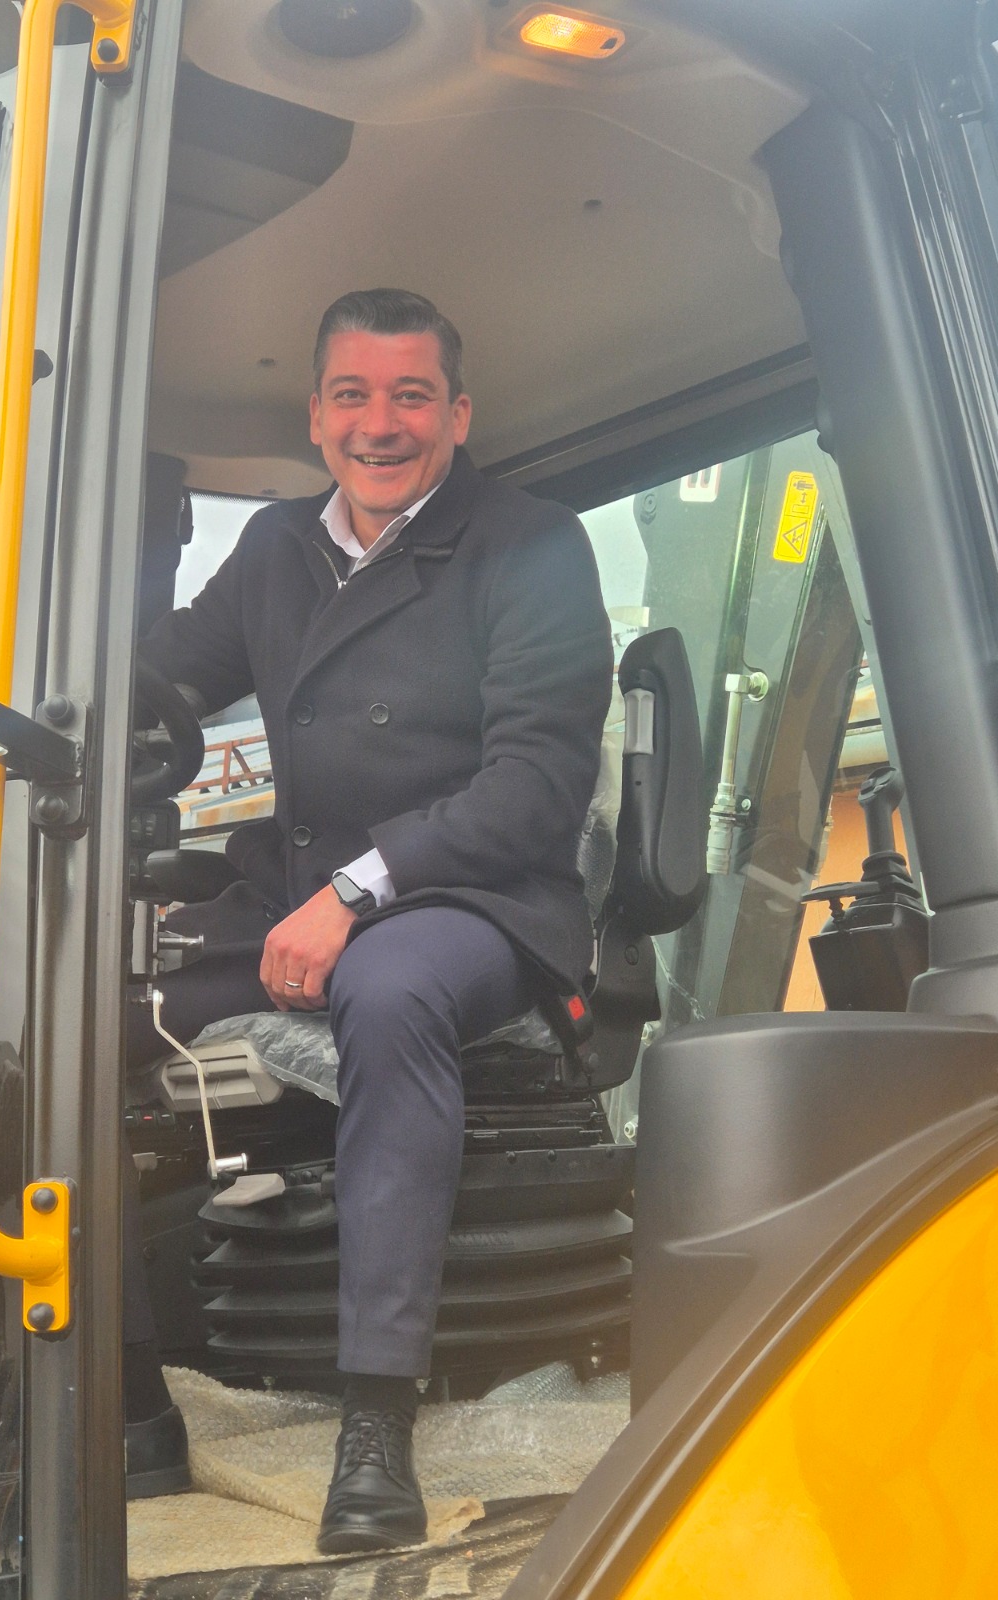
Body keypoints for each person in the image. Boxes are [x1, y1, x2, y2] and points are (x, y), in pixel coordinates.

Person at [129, 288, 612, 1551]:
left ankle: (376, 1421)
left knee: (388, 990)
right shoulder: (277, 548)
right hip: (298, 892)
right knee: (82, 1015)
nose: (379, 423)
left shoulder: (531, 545)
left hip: (476, 893)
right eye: (352, 395)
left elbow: (536, 785)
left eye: (410, 396)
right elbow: (163, 674)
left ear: (458, 413)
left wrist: (355, 893)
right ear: (317, 416)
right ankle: (119, 1401)